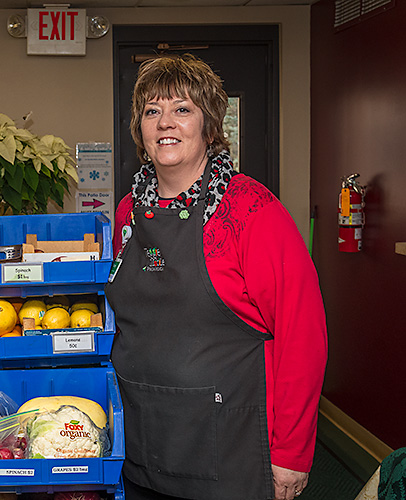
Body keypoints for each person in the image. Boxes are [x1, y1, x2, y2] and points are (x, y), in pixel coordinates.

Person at [105, 54, 328, 500]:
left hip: (228, 448)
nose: (165, 122)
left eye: (182, 109)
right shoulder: (129, 210)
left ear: (209, 126)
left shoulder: (251, 210)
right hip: (141, 441)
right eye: (152, 111)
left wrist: (291, 452)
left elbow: (301, 333)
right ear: (140, 128)